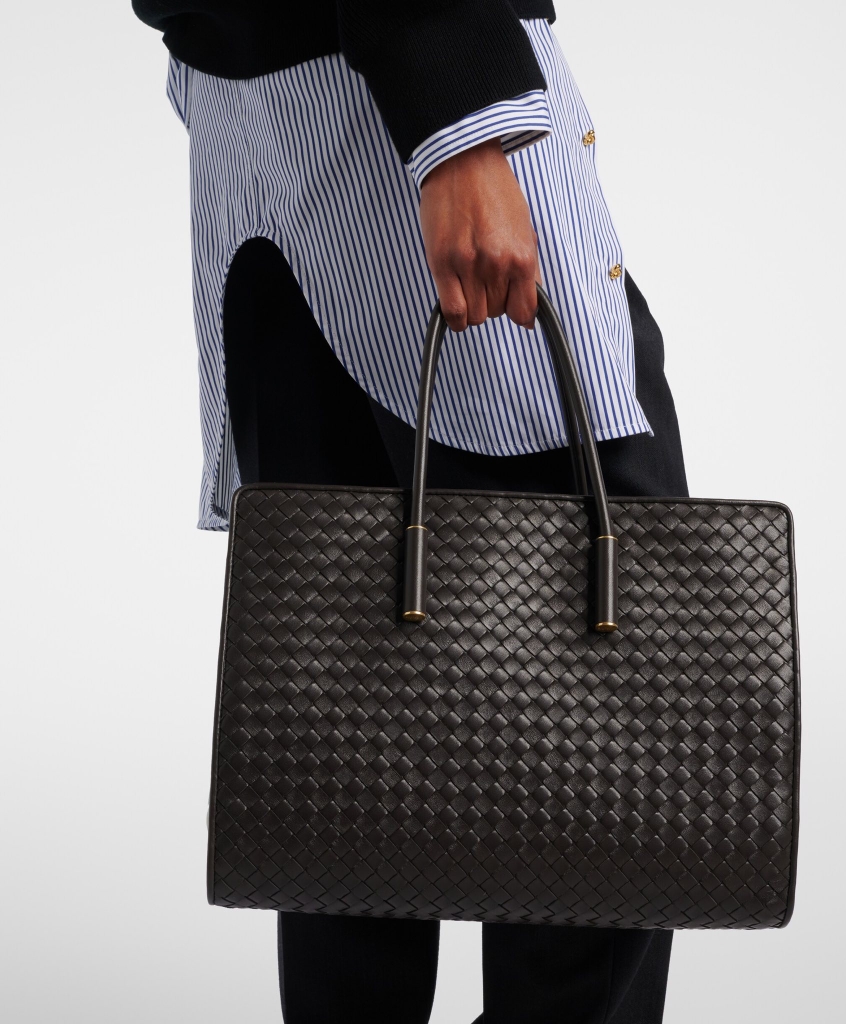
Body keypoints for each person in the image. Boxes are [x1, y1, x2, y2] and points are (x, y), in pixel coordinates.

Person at [133, 3, 689, 1021]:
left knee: (347, 737)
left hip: (250, 125)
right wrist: (458, 117)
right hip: (406, 99)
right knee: (602, 709)